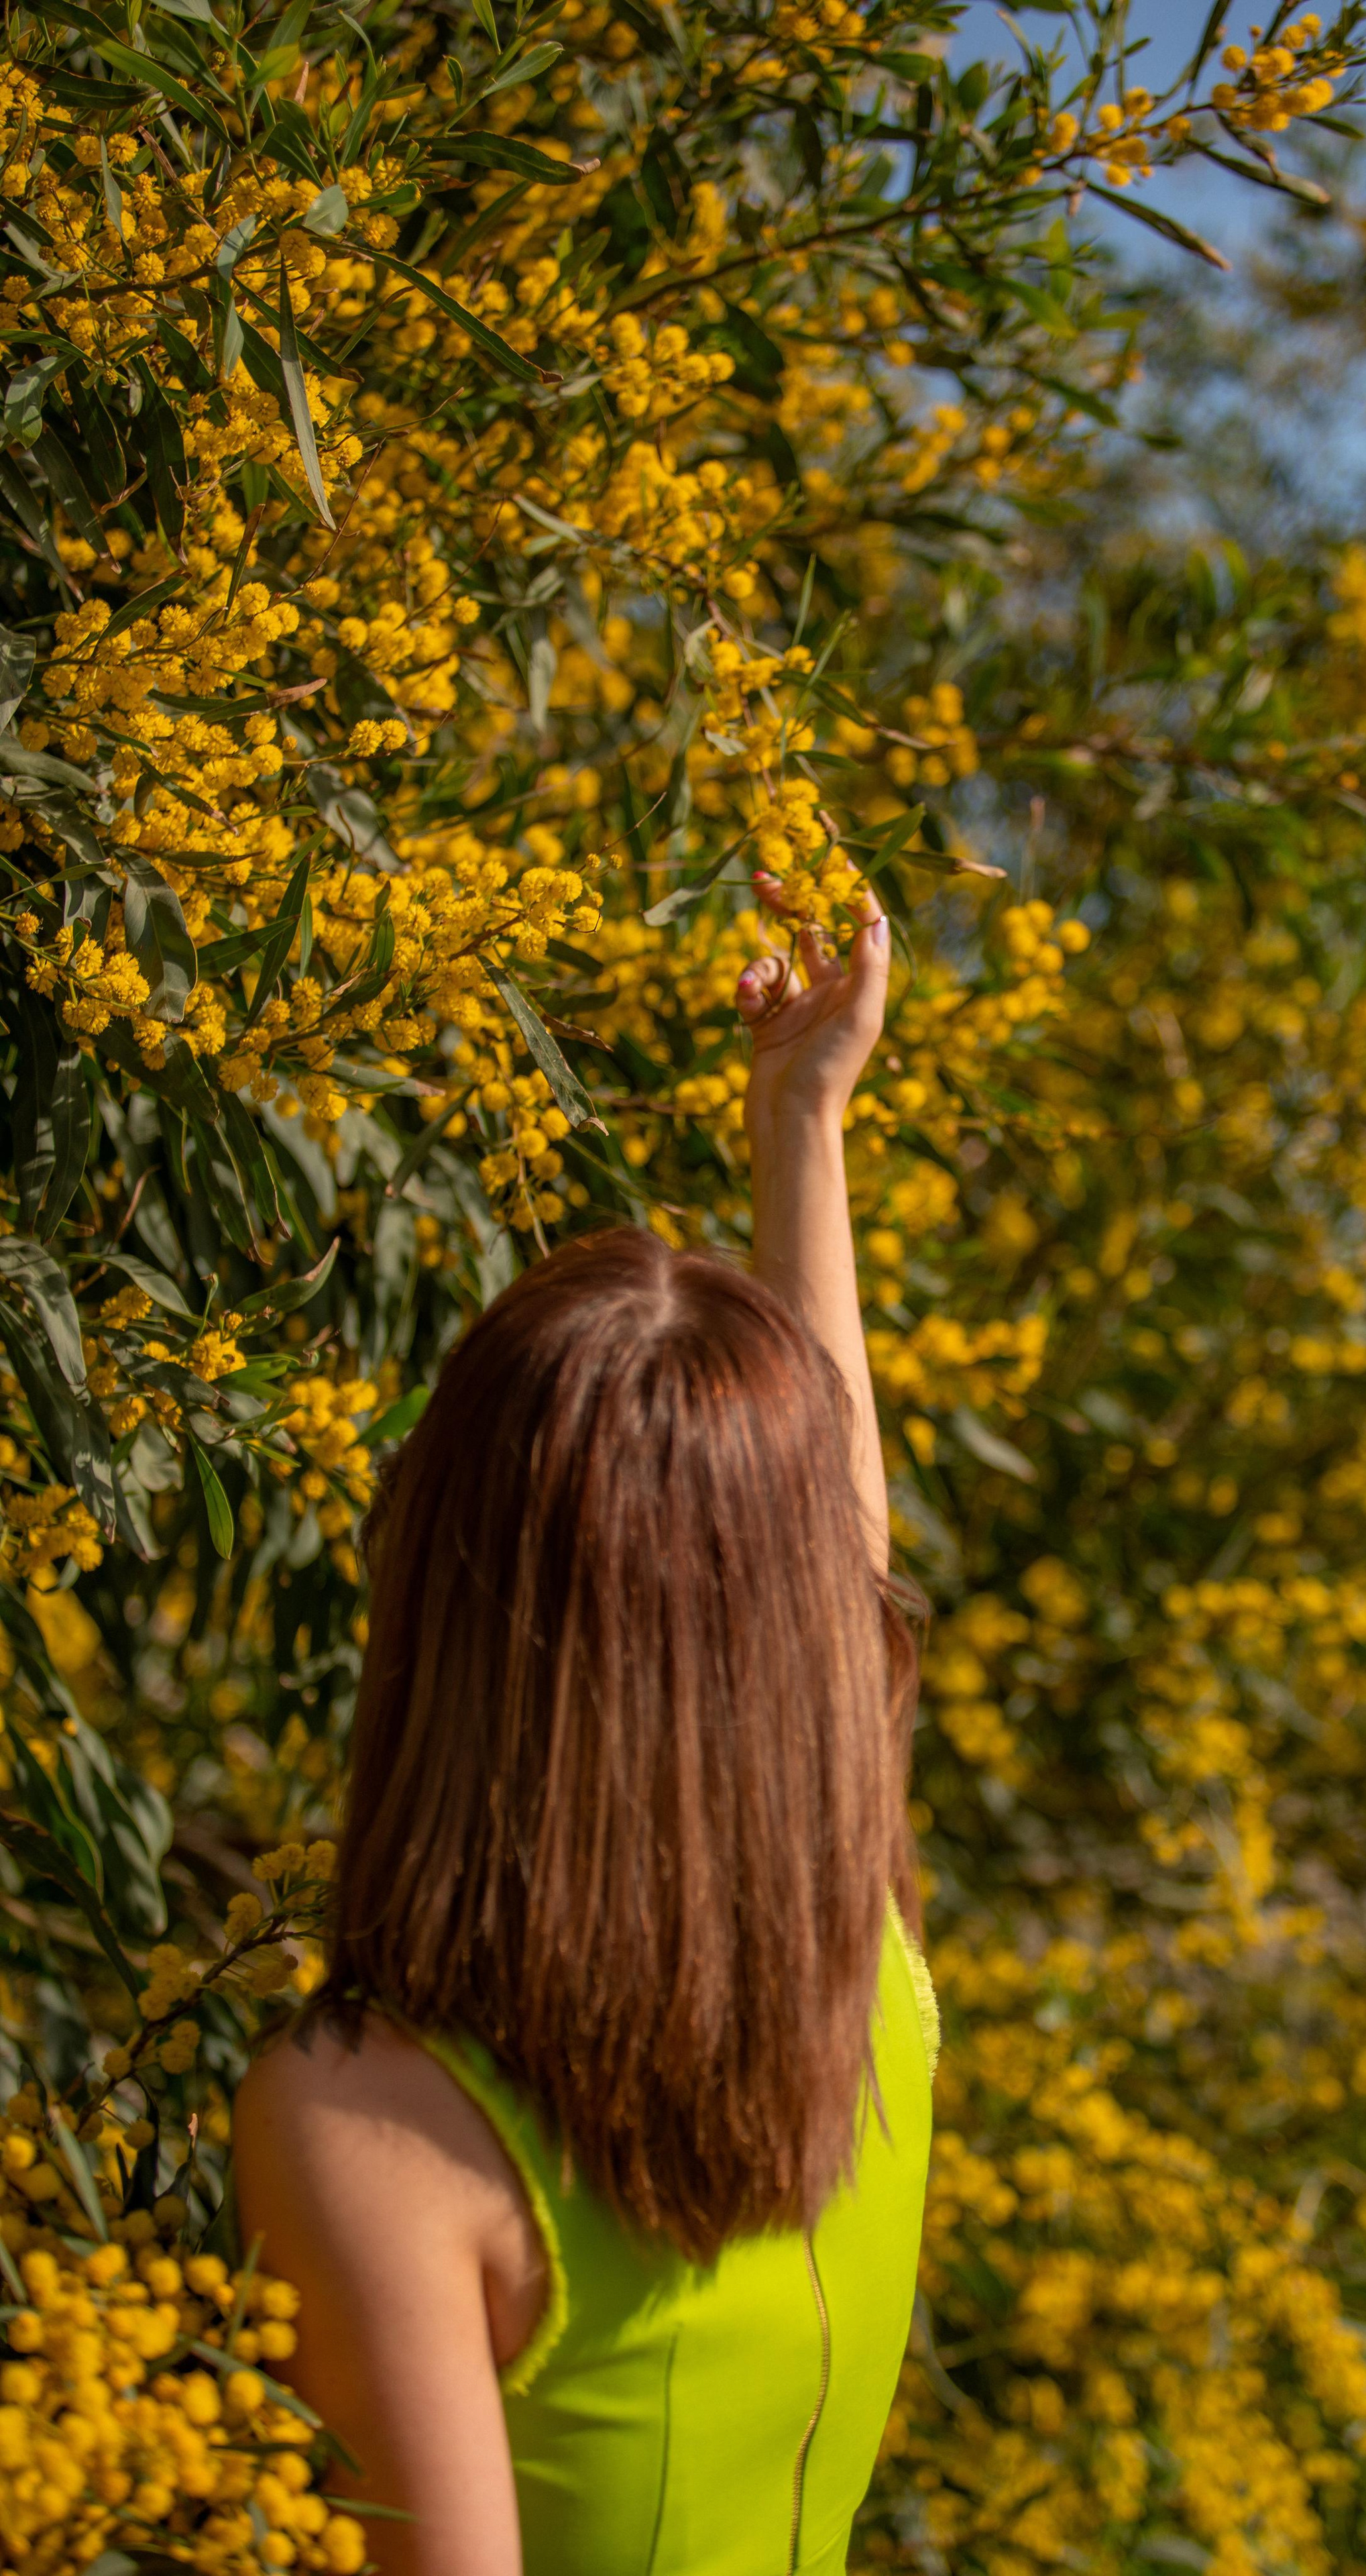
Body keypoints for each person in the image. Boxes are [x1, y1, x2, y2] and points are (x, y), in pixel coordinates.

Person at [233, 885, 936, 2576]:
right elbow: (831, 1584)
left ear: (445, 1586)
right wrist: (800, 1127)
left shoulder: (375, 2133)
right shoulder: (867, 1975)